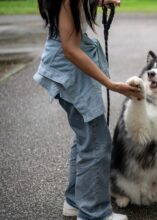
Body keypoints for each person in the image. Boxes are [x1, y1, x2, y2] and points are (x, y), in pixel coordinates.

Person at [34, 0, 142, 219]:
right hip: (68, 65)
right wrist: (111, 85)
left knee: (87, 136)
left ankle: (75, 202)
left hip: (69, 61)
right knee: (96, 140)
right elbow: (70, 50)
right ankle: (93, 213)